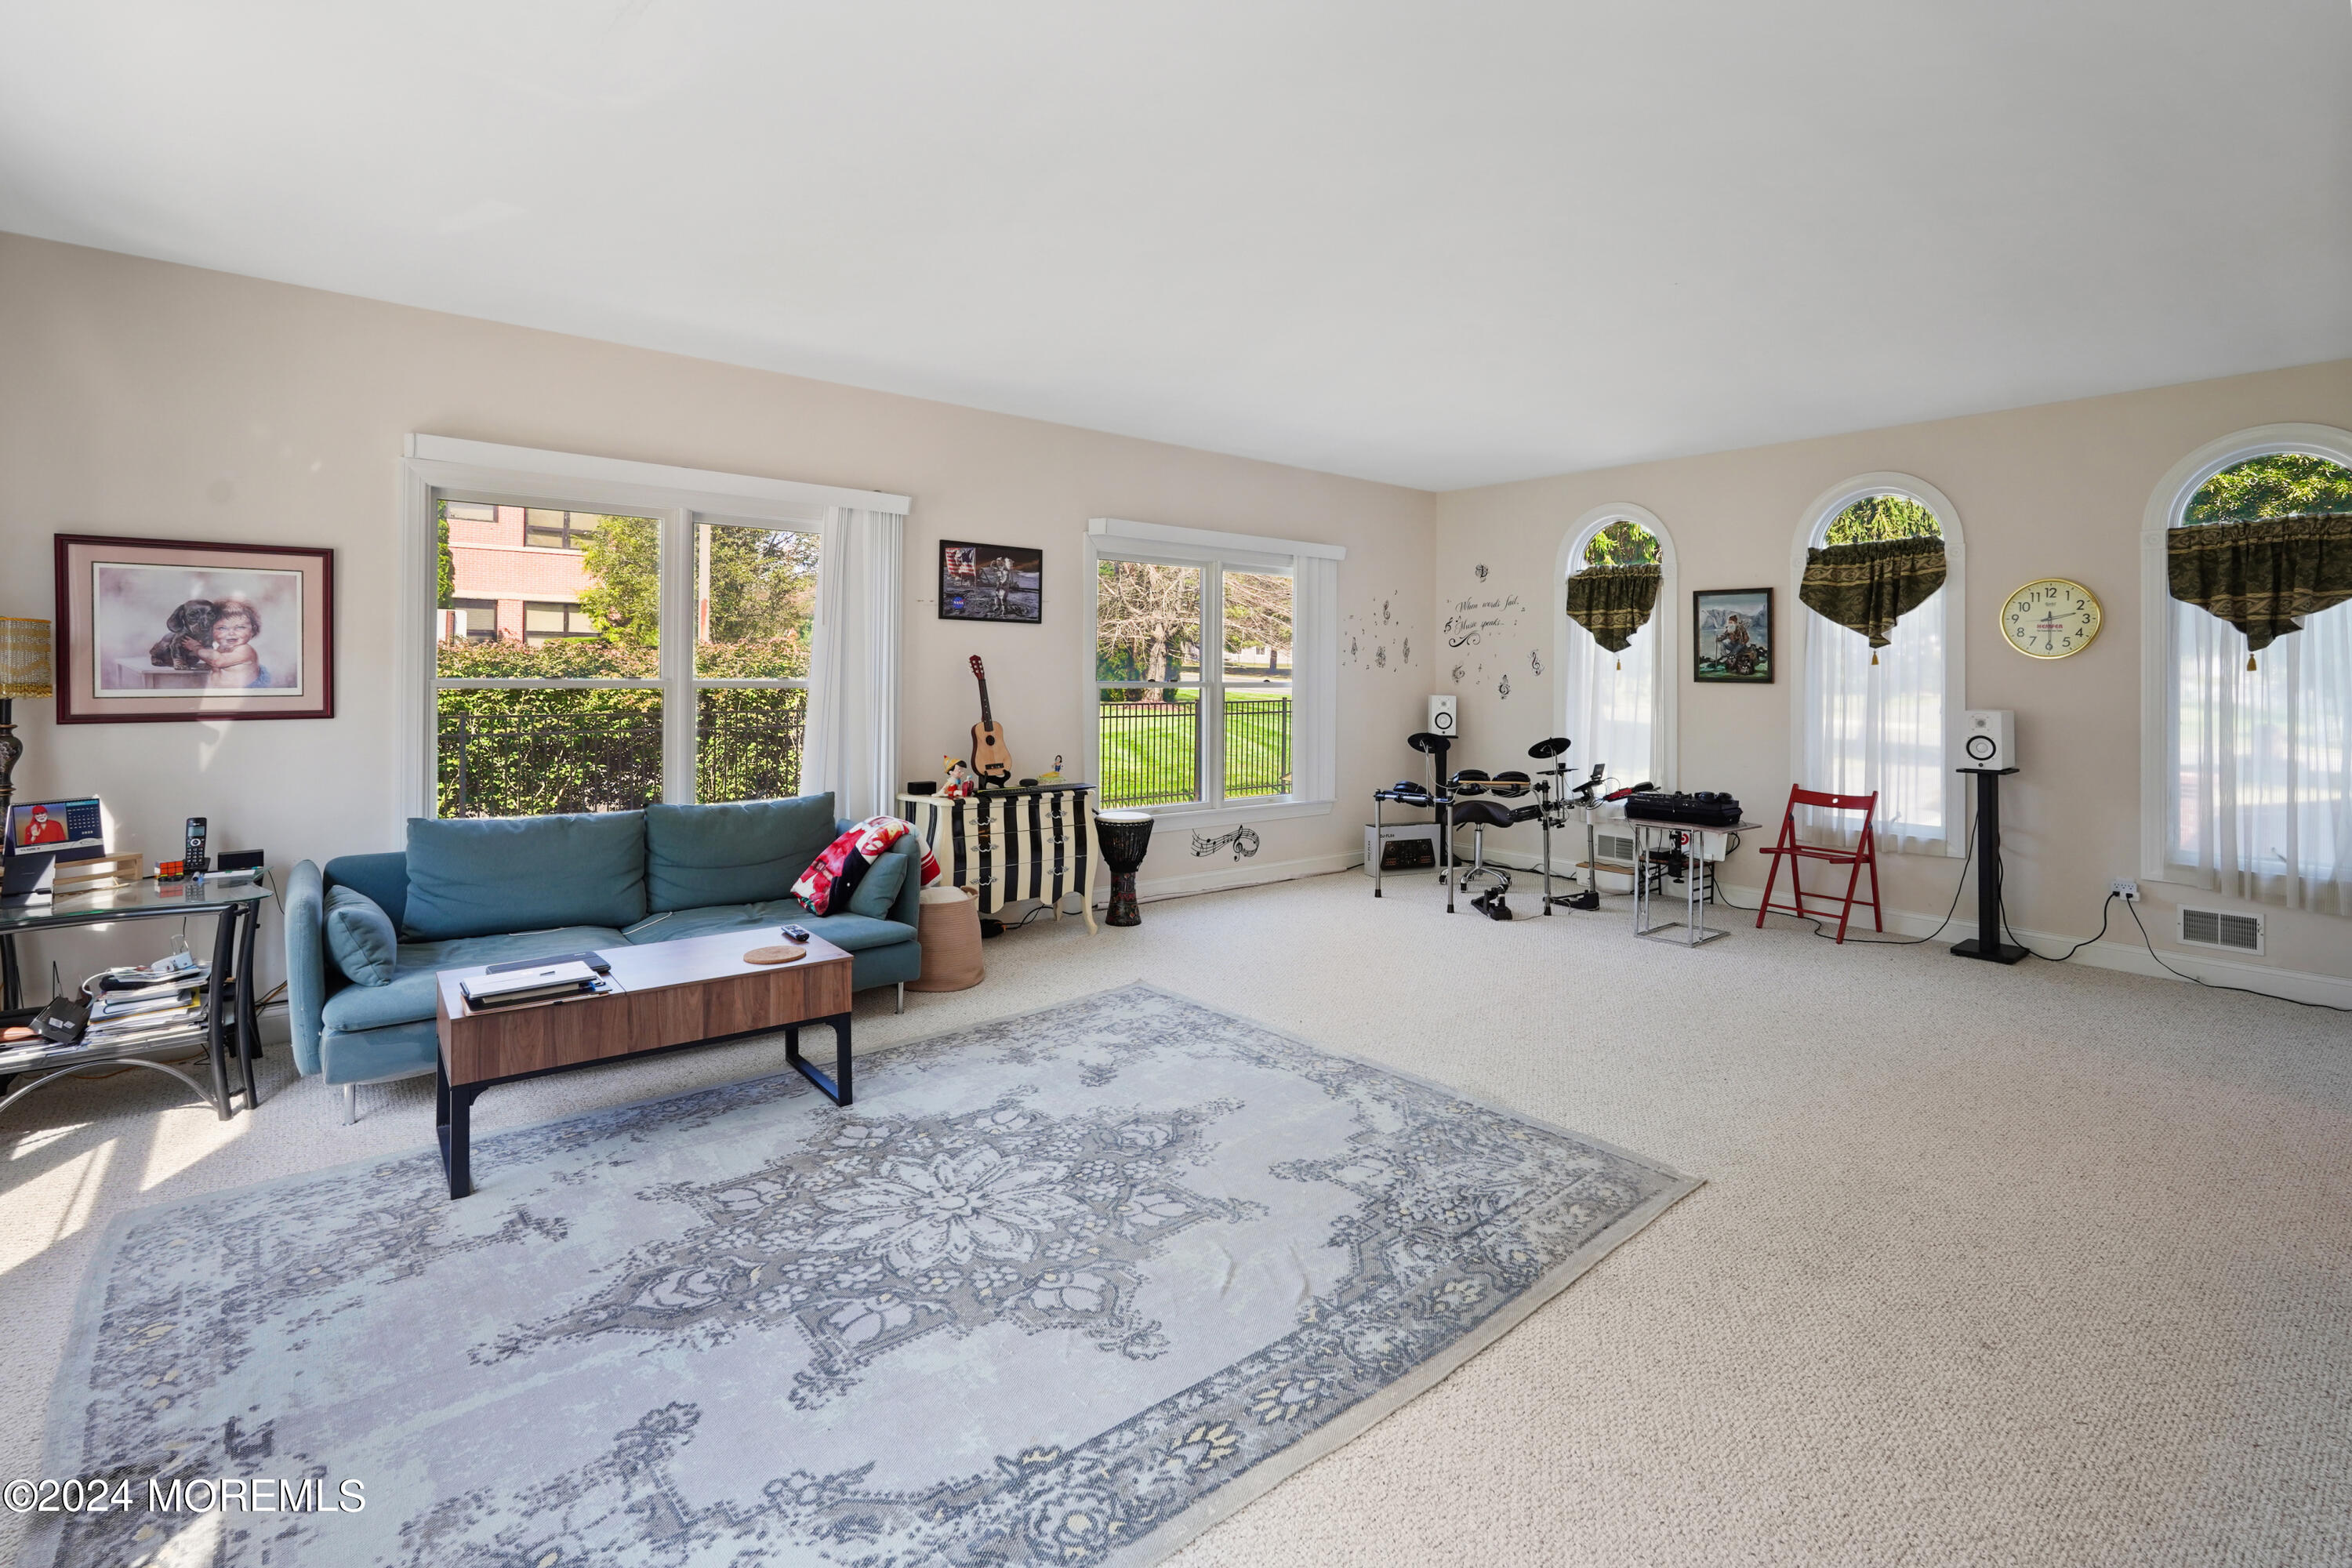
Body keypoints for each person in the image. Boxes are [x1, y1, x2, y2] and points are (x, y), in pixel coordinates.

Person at [180, 598, 268, 688]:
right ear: (211, 631)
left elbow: (217, 660)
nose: (231, 633)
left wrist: (196, 647)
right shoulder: (221, 649)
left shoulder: (245, 650)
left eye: (240, 627)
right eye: (222, 628)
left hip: (243, 695)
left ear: (252, 630)